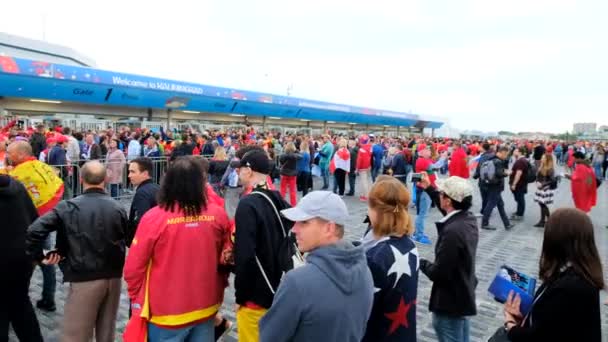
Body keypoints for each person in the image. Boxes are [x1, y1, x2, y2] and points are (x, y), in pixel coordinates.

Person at [124, 157, 231, 342]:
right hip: (205, 306)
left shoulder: (154, 217)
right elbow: (226, 258)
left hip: (165, 311)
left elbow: (134, 267)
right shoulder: (217, 214)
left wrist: (137, 298)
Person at [26, 161, 127, 342]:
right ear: (105, 179)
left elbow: (34, 230)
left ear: (80, 180)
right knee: (107, 333)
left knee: (75, 335)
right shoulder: (117, 207)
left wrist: (39, 256)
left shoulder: (68, 206)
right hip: (113, 277)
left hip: (84, 276)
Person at [259, 191, 374, 342]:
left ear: (329, 228)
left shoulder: (296, 282)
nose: (294, 229)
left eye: (304, 222)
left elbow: (270, 337)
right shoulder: (364, 271)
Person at [503, 208, 604, 341]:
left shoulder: (569, 287)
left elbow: (539, 337)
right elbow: (555, 323)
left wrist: (510, 324)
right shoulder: (577, 273)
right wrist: (526, 316)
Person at [233, 149, 293, 342]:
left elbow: (245, 255)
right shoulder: (277, 197)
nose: (237, 173)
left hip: (255, 295)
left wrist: (240, 296)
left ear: (248, 171)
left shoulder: (248, 204)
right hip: (278, 288)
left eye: (239, 169)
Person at [7, 141, 64, 312]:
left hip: (26, 224)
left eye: (10, 153)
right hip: (44, 221)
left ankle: (18, 300)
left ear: (22, 154)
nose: (8, 156)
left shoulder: (19, 175)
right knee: (45, 260)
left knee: (22, 262)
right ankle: (49, 298)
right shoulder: (41, 166)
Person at [419, 176, 478, 342]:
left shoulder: (452, 232)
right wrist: (429, 189)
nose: (439, 195)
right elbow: (450, 213)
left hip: (450, 302)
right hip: (463, 294)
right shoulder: (468, 219)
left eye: (441, 193)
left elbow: (440, 273)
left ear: (448, 201)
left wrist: (420, 262)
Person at [362, 178, 419, 341]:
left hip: (379, 334)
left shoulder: (376, 257)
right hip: (403, 331)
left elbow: (361, 310)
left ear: (376, 211)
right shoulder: (409, 243)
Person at [0, 174, 43, 342]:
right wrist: (36, 255)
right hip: (21, 259)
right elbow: (34, 221)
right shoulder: (17, 186)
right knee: (20, 305)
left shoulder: (16, 186)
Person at [413, 146, 445, 245]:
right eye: (426, 150)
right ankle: (418, 235)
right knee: (422, 213)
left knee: (422, 213)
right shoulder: (422, 161)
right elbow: (435, 167)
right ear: (421, 152)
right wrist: (443, 157)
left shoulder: (424, 160)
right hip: (424, 190)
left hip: (425, 189)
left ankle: (417, 232)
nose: (429, 151)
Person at [126, 157, 160, 246]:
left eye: (133, 172)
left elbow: (141, 222)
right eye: (129, 171)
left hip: (145, 244)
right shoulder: (157, 187)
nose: (129, 175)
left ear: (145, 173)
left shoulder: (142, 193)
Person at [481, 146, 515, 231]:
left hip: (491, 185)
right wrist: (507, 173)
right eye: (506, 154)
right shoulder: (498, 161)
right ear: (502, 152)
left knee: (500, 205)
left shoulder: (491, 158)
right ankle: (484, 223)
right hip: (496, 186)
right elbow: (499, 174)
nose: (506, 156)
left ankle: (507, 224)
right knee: (490, 205)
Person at [533, 154, 557, 228]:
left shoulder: (550, 169)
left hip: (545, 189)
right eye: (542, 157)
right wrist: (537, 181)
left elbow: (552, 180)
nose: (541, 159)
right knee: (541, 204)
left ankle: (546, 221)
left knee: (542, 204)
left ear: (547, 160)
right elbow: (538, 176)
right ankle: (544, 221)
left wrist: (542, 184)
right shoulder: (542, 166)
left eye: (543, 158)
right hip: (541, 188)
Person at [473, 143, 494, 215]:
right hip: (491, 179)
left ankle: (484, 211)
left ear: (483, 148)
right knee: (489, 196)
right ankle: (488, 210)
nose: (479, 147)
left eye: (480, 146)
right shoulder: (492, 154)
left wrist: (475, 175)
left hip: (484, 179)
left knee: (484, 196)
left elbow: (480, 168)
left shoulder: (484, 156)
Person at [508, 147, 529, 221]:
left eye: (515, 151)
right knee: (520, 199)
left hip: (519, 184)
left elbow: (518, 174)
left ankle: (519, 214)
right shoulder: (522, 160)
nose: (513, 152)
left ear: (519, 152)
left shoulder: (520, 161)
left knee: (520, 199)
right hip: (522, 183)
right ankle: (519, 212)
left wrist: (514, 184)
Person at [357, 134, 373, 201]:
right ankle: (369, 194)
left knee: (363, 182)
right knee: (368, 181)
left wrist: (357, 168)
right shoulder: (370, 147)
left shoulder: (361, 149)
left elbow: (359, 160)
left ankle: (365, 196)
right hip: (368, 166)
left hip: (362, 167)